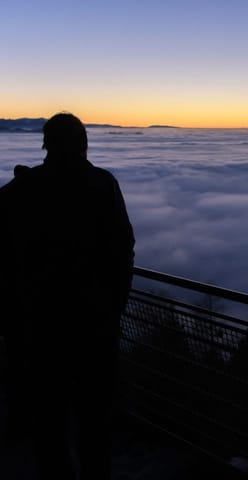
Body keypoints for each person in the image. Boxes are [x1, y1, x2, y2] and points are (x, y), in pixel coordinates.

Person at [0, 112, 135, 479]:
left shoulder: (22, 191)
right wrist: (113, 310)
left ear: (46, 143)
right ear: (83, 143)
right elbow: (123, 250)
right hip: (96, 327)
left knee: (50, 423)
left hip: (40, 328)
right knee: (95, 422)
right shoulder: (102, 184)